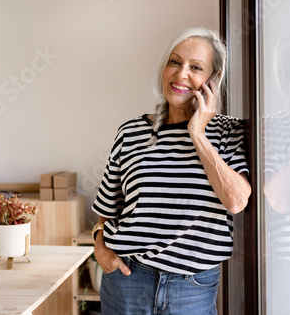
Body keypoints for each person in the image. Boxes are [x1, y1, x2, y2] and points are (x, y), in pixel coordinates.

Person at [91, 27, 251, 315]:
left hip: (191, 287)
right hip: (127, 279)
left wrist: (198, 134)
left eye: (196, 67)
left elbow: (236, 200)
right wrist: (99, 244)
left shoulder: (228, 132)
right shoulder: (131, 132)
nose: (181, 75)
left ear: (212, 81)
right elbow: (108, 205)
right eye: (175, 62)